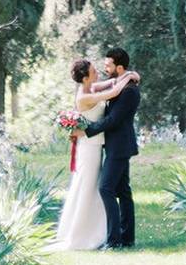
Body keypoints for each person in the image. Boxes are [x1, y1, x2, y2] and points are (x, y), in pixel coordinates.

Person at [51, 56, 139, 250]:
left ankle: (109, 234)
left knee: (99, 189)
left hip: (98, 147)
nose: (97, 72)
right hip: (89, 149)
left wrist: (129, 74)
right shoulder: (84, 96)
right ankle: (87, 234)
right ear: (85, 78)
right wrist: (129, 77)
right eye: (93, 72)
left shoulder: (91, 87)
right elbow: (114, 91)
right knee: (92, 188)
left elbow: (112, 82)